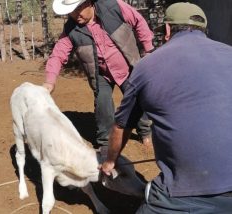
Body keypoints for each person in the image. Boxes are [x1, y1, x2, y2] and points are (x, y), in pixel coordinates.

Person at [101, 2, 232, 213]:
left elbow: (121, 127)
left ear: (168, 29)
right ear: (204, 30)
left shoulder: (147, 67)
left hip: (185, 194)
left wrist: (109, 162)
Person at [43, 0, 155, 150]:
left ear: (89, 3)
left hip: (127, 66)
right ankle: (105, 143)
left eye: (78, 9)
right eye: (71, 11)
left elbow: (138, 21)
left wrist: (148, 49)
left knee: (136, 100)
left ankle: (145, 132)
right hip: (100, 73)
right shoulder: (71, 29)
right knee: (103, 104)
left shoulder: (114, 7)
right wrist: (50, 81)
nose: (75, 15)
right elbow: (58, 54)